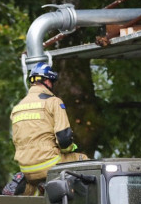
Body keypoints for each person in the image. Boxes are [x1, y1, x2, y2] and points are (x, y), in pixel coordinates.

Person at [8, 62, 88, 195]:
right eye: (51, 82)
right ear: (46, 80)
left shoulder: (17, 108)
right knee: (84, 161)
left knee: (34, 184)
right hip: (49, 164)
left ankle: (25, 189)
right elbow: (64, 138)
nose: (52, 85)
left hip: (26, 168)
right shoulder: (53, 102)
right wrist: (68, 149)